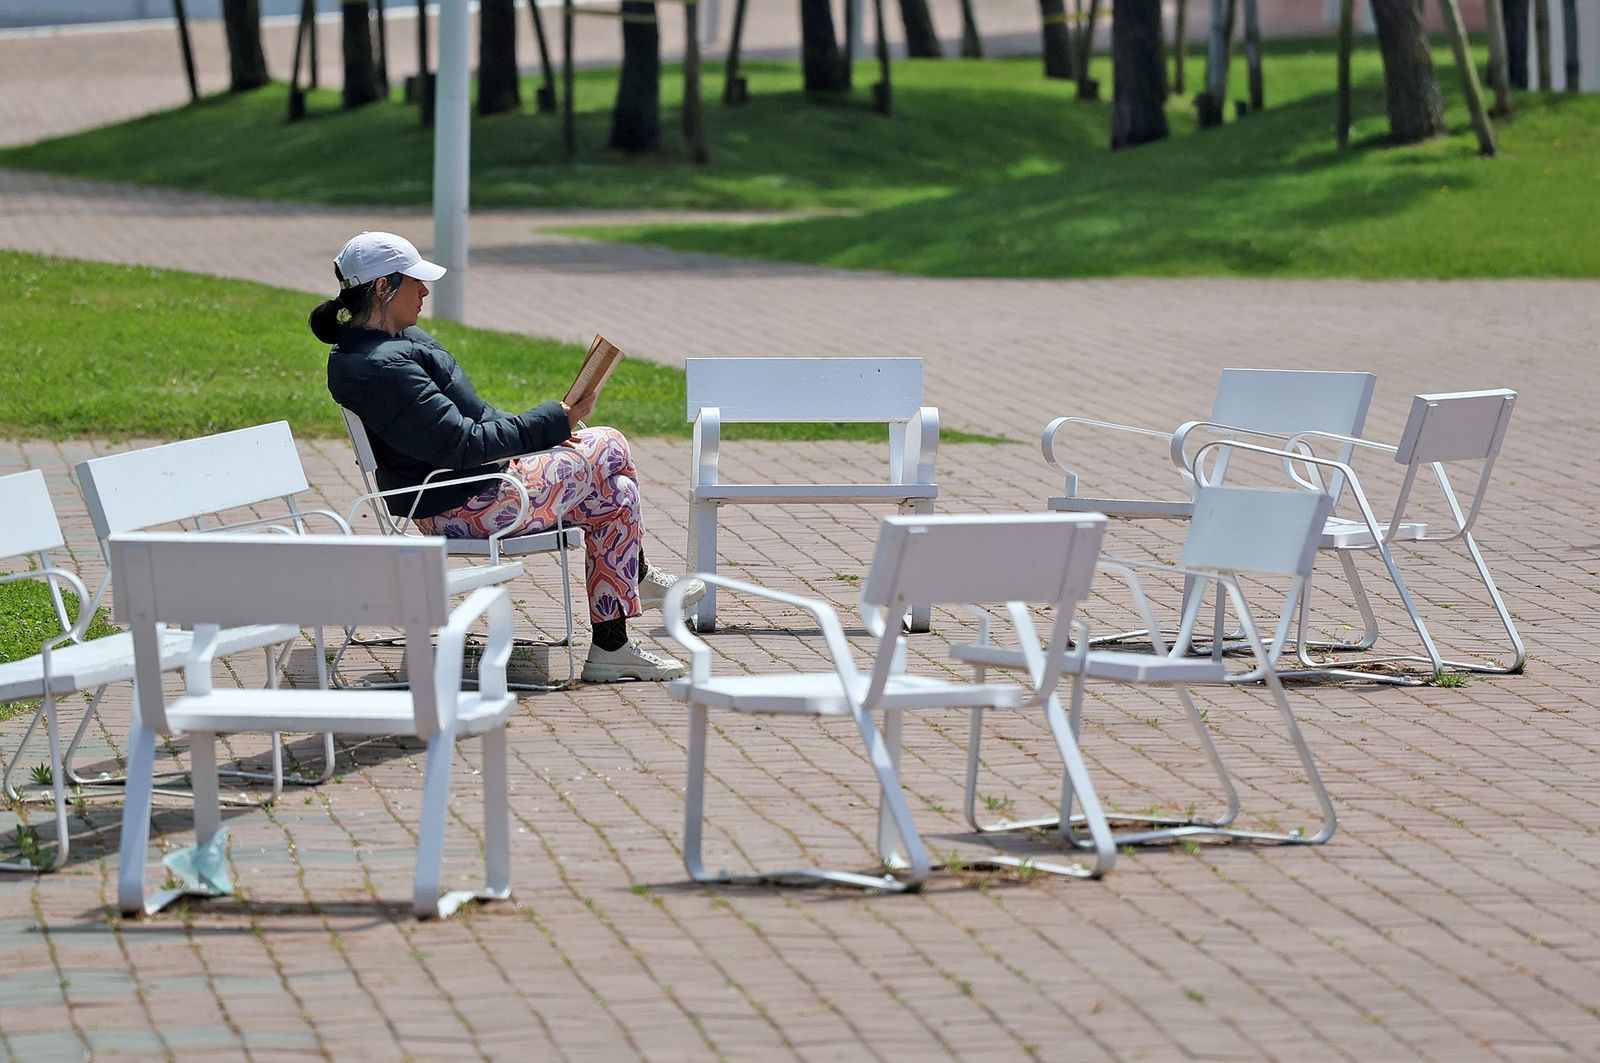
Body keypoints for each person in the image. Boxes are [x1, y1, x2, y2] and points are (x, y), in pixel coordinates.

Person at [311, 231, 703, 683]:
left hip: (475, 487)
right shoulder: (380, 368)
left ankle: (613, 646)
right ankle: (636, 578)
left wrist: (547, 431)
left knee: (616, 493)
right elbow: (461, 444)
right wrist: (551, 422)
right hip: (463, 506)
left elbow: (474, 421)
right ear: (383, 288)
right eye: (414, 281)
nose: (424, 290)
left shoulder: (396, 346)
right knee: (608, 442)